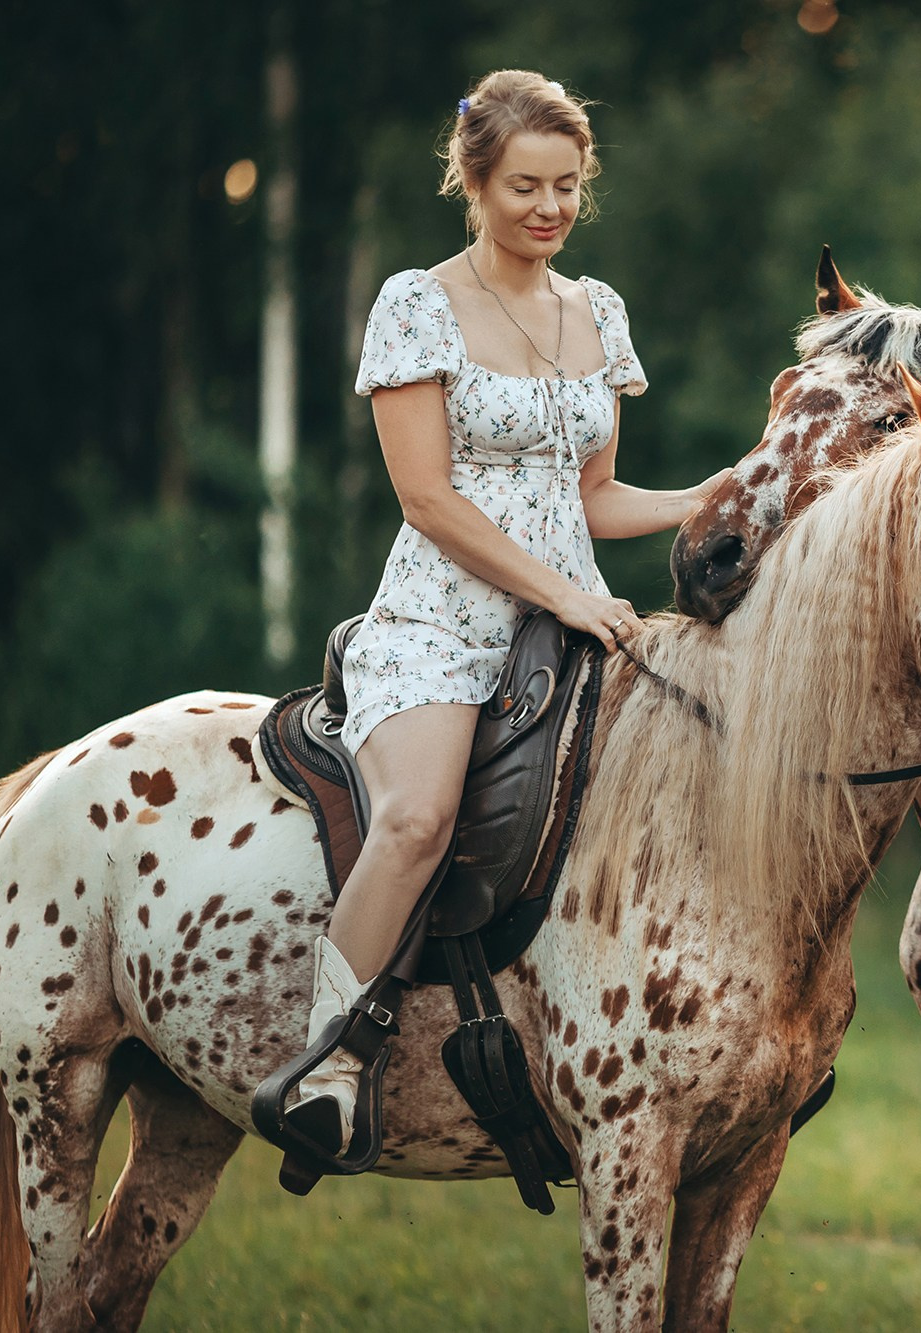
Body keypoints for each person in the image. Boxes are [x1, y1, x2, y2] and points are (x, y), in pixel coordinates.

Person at [279, 69, 729, 1152]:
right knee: (419, 820)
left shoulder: (597, 310)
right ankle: (323, 1062)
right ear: (472, 183)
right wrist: (567, 592)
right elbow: (427, 499)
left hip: (562, 631)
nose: (549, 207)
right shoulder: (415, 304)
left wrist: (718, 494)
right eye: (525, 185)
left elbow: (592, 496)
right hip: (442, 624)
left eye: (567, 186)